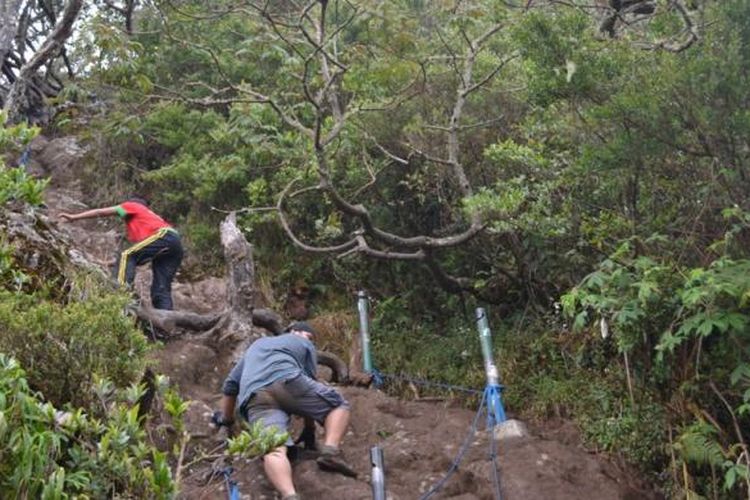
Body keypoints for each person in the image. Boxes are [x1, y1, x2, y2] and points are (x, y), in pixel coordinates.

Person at [213, 322, 356, 500]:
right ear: (293, 331)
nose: (310, 341)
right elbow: (307, 382)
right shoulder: (303, 344)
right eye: (309, 336)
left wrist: (226, 421)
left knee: (273, 448)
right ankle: (331, 452)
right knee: (339, 406)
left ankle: (290, 495)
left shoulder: (256, 346)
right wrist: (310, 429)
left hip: (255, 397)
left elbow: (230, 385)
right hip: (287, 379)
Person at [59, 196, 183, 310]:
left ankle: (121, 295)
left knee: (126, 254)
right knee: (161, 289)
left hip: (164, 235)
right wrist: (108, 263)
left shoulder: (133, 206)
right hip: (174, 242)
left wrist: (74, 217)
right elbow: (138, 258)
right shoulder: (146, 220)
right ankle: (165, 322)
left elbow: (100, 212)